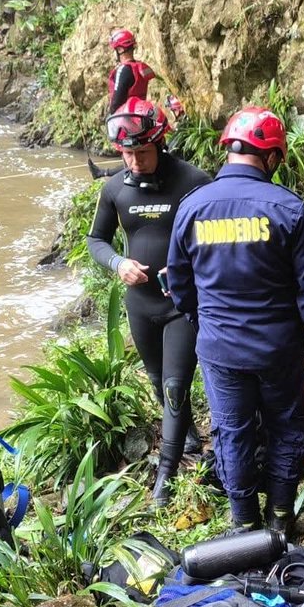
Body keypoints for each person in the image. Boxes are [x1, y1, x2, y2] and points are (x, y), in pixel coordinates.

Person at [166, 106, 304, 533]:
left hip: (220, 348)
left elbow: (180, 282)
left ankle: (243, 524)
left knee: (232, 431)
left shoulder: (193, 207)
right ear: (273, 156)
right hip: (278, 346)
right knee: (285, 424)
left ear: (228, 151)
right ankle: (281, 518)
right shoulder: (287, 208)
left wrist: (202, 321)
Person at [86, 97, 212, 505]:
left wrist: (190, 273)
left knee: (176, 385)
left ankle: (166, 476)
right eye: (126, 153)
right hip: (139, 303)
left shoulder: (193, 181)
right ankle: (190, 440)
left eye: (142, 152)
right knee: (159, 382)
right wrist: (118, 263)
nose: (135, 162)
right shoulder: (115, 188)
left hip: (181, 304)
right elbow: (96, 240)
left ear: (160, 142)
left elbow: (216, 239)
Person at [106, 28, 156, 116]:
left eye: (115, 49)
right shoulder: (138, 68)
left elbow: (116, 102)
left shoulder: (123, 70)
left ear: (120, 49)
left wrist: (110, 113)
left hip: (127, 118)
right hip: (141, 115)